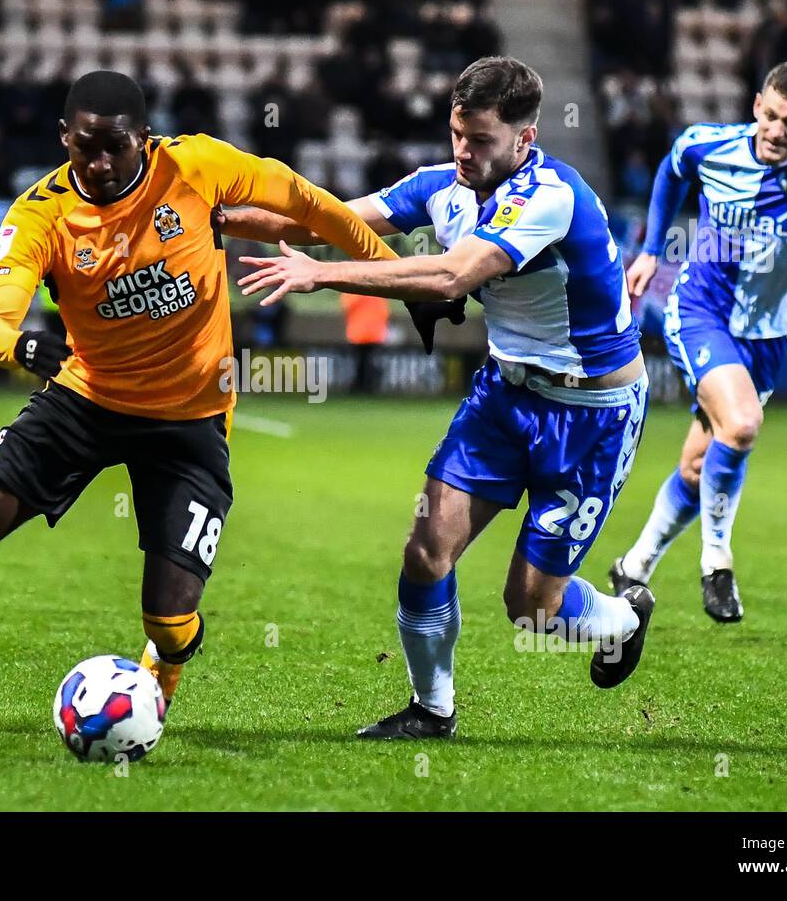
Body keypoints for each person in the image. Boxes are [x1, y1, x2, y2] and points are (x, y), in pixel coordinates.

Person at [0, 70, 397, 729]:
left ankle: (162, 665)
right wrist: (23, 348)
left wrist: (386, 274)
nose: (97, 162)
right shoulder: (44, 211)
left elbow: (306, 201)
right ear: (64, 137)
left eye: (114, 146)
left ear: (143, 140)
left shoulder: (197, 166)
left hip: (190, 421)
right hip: (85, 401)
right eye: (83, 146)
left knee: (172, 620)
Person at [229, 57, 652, 740]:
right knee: (426, 550)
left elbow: (455, 275)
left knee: (532, 611)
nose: (464, 150)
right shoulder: (443, 186)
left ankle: (626, 616)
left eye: (481, 139)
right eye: (458, 133)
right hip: (502, 399)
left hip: (590, 417)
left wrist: (321, 276)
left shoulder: (551, 195)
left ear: (525, 138)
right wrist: (208, 213)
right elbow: (324, 217)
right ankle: (432, 710)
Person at [612, 62, 787, 621]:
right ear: (757, 105)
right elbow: (669, 171)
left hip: (765, 339)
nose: (778, 131)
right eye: (773, 116)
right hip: (701, 313)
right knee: (743, 424)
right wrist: (652, 249)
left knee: (697, 466)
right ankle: (717, 563)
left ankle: (633, 567)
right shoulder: (710, 144)